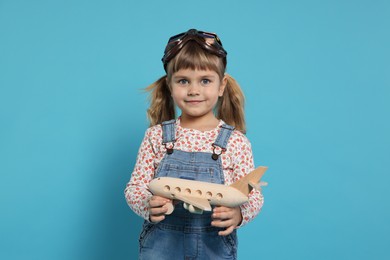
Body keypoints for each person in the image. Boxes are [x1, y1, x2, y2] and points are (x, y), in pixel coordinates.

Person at [125, 29, 264, 260]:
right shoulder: (156, 136)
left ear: (222, 85)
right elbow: (134, 187)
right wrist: (148, 204)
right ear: (170, 85)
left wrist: (238, 215)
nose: (194, 90)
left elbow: (253, 195)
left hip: (214, 247)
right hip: (162, 247)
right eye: (183, 81)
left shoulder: (236, 142)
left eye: (205, 81)